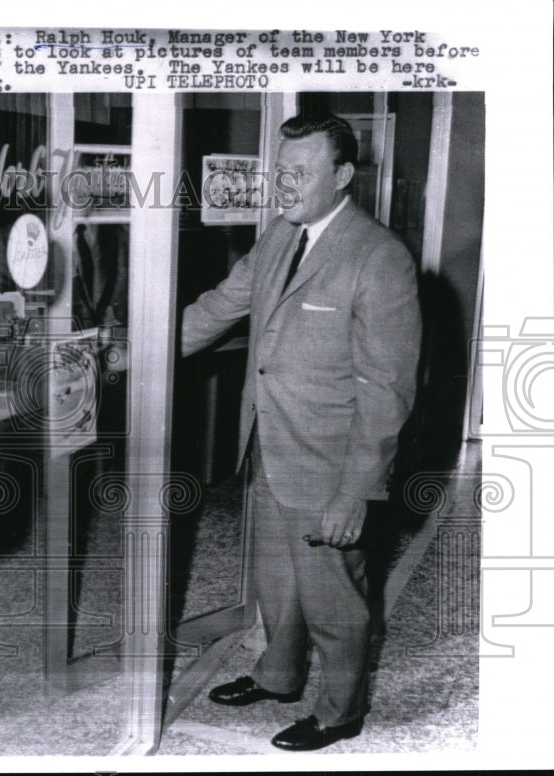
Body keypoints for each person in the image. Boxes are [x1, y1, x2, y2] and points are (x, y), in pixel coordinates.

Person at [182, 113, 421, 751]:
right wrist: (137, 350)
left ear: (342, 176)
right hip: (268, 441)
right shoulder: (280, 237)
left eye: (300, 172)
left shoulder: (380, 257)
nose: (283, 185)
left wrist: (355, 492)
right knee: (278, 577)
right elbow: (220, 306)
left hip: (331, 459)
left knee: (333, 594)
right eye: (279, 171)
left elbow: (387, 390)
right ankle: (279, 674)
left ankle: (341, 711)